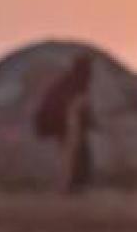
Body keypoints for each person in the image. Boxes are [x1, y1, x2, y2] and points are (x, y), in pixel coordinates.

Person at [33, 52, 95, 194]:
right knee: (71, 155)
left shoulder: (71, 82)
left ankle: (72, 184)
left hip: (61, 122)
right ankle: (67, 185)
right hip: (60, 122)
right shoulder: (75, 82)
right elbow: (73, 108)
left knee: (76, 153)